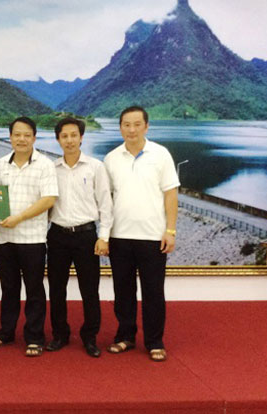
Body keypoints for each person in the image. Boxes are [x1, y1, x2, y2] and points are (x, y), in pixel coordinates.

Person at [103, 106, 179, 362]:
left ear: (146, 126)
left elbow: (171, 194)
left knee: (153, 292)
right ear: (120, 127)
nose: (132, 129)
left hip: (153, 237)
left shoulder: (161, 154)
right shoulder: (111, 158)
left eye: (137, 124)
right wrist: (105, 234)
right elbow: (106, 200)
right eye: (126, 124)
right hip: (120, 236)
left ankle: (155, 341)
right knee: (123, 291)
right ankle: (125, 336)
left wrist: (170, 230)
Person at [0, 116, 58, 357]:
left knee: (34, 289)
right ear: (10, 137)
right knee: (9, 288)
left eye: (27, 135)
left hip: (32, 239)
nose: (22, 139)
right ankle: (6, 332)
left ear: (34, 138)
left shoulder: (45, 164)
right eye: (17, 134)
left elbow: (48, 199)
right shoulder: (0, 165)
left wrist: (19, 217)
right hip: (4, 237)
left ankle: (35, 337)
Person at [46, 117, 113, 357]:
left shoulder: (95, 167)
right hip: (57, 235)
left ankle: (90, 337)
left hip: (86, 236)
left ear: (81, 137)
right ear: (58, 139)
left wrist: (104, 236)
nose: (69, 140)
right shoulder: (51, 169)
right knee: (56, 289)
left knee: (90, 289)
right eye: (64, 136)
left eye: (74, 135)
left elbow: (106, 204)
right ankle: (60, 334)